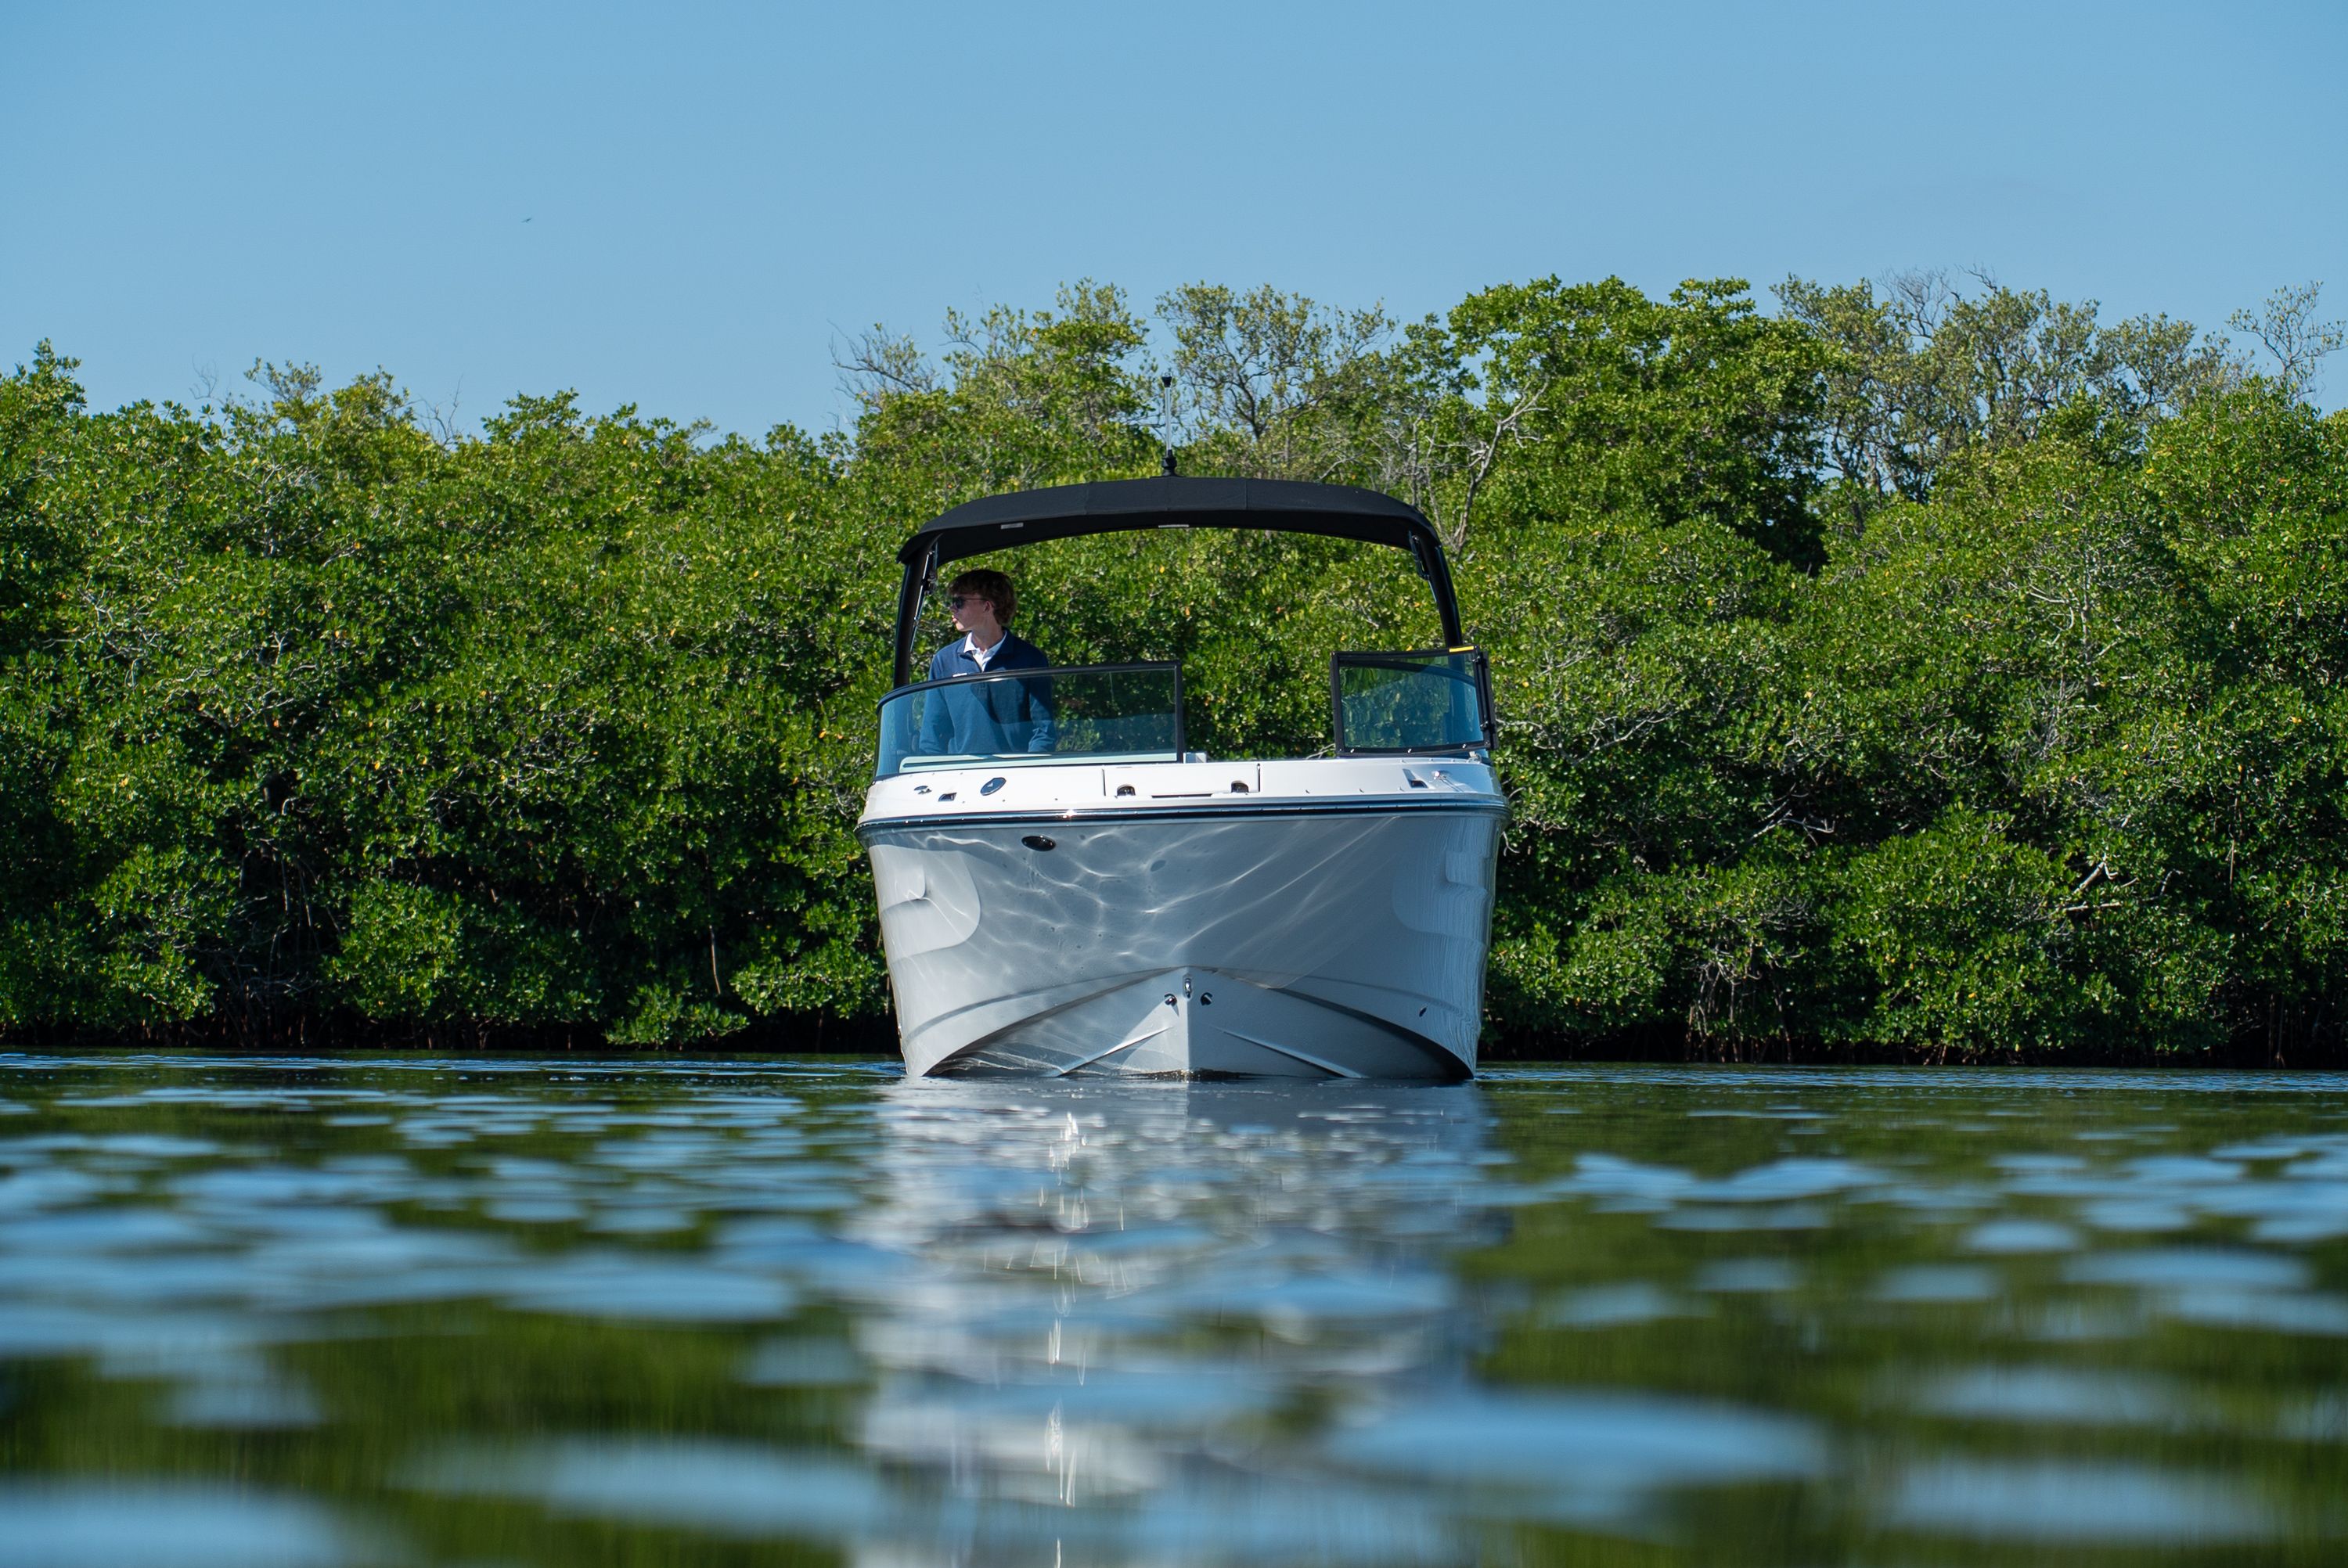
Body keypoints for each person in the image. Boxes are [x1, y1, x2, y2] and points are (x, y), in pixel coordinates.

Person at [917, 569, 1056, 756]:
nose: (952, 608)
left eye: (960, 602)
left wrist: (1027, 771)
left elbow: (1044, 731)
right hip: (958, 776)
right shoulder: (944, 660)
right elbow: (932, 735)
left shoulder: (1031, 659)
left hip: (1017, 774)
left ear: (987, 607)